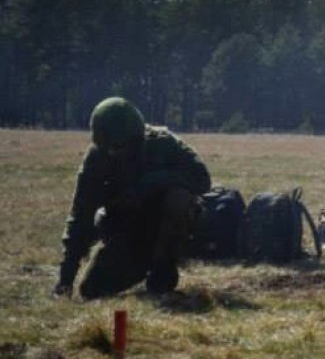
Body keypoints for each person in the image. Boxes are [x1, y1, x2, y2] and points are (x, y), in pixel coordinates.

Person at [52, 97, 211, 299]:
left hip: (167, 228)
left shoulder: (163, 143)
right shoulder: (96, 160)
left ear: (136, 139)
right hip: (128, 232)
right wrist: (65, 280)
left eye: (118, 147)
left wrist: (153, 182)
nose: (112, 152)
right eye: (106, 147)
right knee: (92, 290)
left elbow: (202, 178)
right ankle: (140, 263)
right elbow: (80, 216)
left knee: (178, 198)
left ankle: (163, 267)